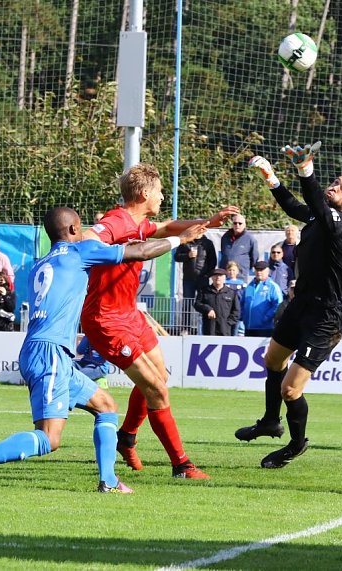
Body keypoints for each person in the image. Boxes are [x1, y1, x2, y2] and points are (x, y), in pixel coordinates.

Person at [0, 206, 208, 495]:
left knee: (106, 407)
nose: (85, 234)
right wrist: (180, 239)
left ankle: (108, 480)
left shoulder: (42, 262)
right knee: (49, 439)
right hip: (50, 354)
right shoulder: (79, 253)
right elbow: (140, 252)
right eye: (81, 228)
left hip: (50, 353)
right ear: (72, 231)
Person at [81, 163, 238, 479]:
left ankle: (126, 436)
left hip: (130, 314)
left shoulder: (140, 222)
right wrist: (101, 247)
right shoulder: (115, 220)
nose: (163, 197)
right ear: (143, 193)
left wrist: (209, 221)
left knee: (159, 379)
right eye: (159, 192)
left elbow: (168, 227)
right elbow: (88, 237)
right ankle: (182, 465)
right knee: (157, 391)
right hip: (107, 321)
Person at [237, 141, 342, 468]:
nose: (336, 187)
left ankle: (296, 444)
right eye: (336, 182)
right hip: (302, 304)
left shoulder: (338, 223)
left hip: (326, 316)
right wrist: (270, 176)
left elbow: (312, 202)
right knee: (272, 360)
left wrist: (305, 169)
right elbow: (295, 206)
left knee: (291, 391)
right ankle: (270, 421)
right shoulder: (319, 216)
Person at [241, 260, 283, 337]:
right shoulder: (249, 286)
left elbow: (278, 304)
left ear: (268, 271)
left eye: (261, 270)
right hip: (249, 327)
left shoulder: (273, 286)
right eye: (257, 270)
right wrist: (243, 317)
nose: (259, 272)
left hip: (265, 328)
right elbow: (243, 303)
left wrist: (266, 317)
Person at [195, 267, 241, 336]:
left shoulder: (231, 293)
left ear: (225, 278)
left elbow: (236, 311)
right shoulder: (204, 291)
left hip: (225, 331)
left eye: (221, 276)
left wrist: (228, 323)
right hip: (209, 329)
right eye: (215, 275)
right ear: (212, 278)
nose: (218, 277)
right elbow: (197, 304)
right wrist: (208, 309)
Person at [173, 233, 217, 301]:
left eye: (200, 229)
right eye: (197, 229)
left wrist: (207, 275)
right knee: (187, 302)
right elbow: (176, 257)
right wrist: (188, 255)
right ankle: (186, 312)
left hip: (203, 278)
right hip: (188, 278)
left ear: (203, 231)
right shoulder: (185, 242)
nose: (198, 232)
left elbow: (213, 261)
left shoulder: (208, 243)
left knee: (203, 301)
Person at [219, 213, 259, 281]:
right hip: (225, 275)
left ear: (244, 225)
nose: (237, 225)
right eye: (235, 223)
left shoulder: (250, 239)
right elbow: (223, 253)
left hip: (240, 276)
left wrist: (244, 269)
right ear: (232, 224)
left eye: (240, 223)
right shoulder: (225, 237)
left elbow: (254, 258)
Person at [224, 260, 247, 336]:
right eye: (230, 270)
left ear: (237, 271)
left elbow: (244, 299)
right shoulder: (224, 283)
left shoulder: (242, 284)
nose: (231, 272)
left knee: (237, 332)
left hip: (238, 312)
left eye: (234, 270)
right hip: (227, 312)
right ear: (227, 271)